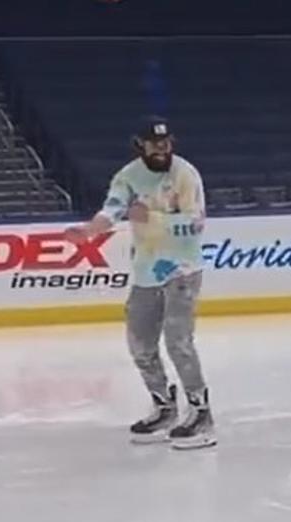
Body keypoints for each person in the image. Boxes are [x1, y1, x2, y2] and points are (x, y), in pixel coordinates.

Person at [64, 117, 215, 450]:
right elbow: (113, 209)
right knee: (140, 344)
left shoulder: (185, 175)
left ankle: (201, 413)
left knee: (178, 342)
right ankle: (163, 405)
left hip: (183, 271)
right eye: (154, 144)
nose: (161, 149)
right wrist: (89, 230)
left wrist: (153, 219)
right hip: (147, 272)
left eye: (166, 144)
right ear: (141, 146)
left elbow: (196, 222)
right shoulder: (128, 176)